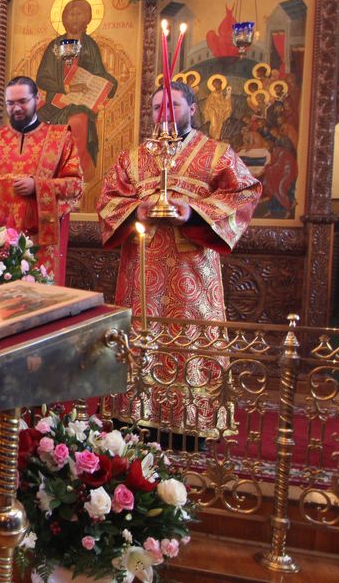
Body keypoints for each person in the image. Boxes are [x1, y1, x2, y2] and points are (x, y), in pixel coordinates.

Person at [96, 80, 261, 440]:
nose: (164, 114)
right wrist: (138, 210)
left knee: (191, 340)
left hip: (193, 271)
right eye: (157, 108)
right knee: (141, 336)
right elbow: (107, 198)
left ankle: (192, 426)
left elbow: (245, 192)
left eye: (173, 106)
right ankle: (132, 417)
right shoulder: (134, 157)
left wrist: (193, 212)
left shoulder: (217, 153)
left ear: (192, 109)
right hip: (143, 268)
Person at [0, 76, 83, 285]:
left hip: (39, 242)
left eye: (22, 101)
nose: (16, 108)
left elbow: (75, 186)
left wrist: (38, 186)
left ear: (37, 98)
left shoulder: (60, 138)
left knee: (38, 297)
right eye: (10, 103)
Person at [35, 0, 117, 174]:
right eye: (71, 14)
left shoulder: (90, 45)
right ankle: (49, 170)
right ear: (64, 18)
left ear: (87, 18)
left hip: (81, 104)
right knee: (40, 124)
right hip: (56, 104)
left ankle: (77, 172)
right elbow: (42, 79)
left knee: (77, 122)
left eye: (79, 14)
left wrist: (109, 83)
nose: (74, 18)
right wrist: (67, 88)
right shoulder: (55, 46)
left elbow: (98, 72)